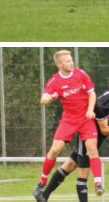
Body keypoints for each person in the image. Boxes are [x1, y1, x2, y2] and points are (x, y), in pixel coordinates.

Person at [38, 81, 109, 202]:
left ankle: (44, 196)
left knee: (69, 165)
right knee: (84, 172)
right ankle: (45, 195)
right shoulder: (103, 103)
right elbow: (104, 130)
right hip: (88, 137)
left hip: (97, 140)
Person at [33, 50, 104, 201]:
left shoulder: (80, 74)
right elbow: (43, 100)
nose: (71, 63)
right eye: (67, 61)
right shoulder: (55, 81)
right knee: (55, 150)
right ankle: (42, 182)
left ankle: (98, 183)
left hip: (85, 119)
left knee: (92, 147)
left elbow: (92, 93)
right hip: (69, 120)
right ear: (59, 64)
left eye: (71, 60)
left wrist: (90, 110)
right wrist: (50, 98)